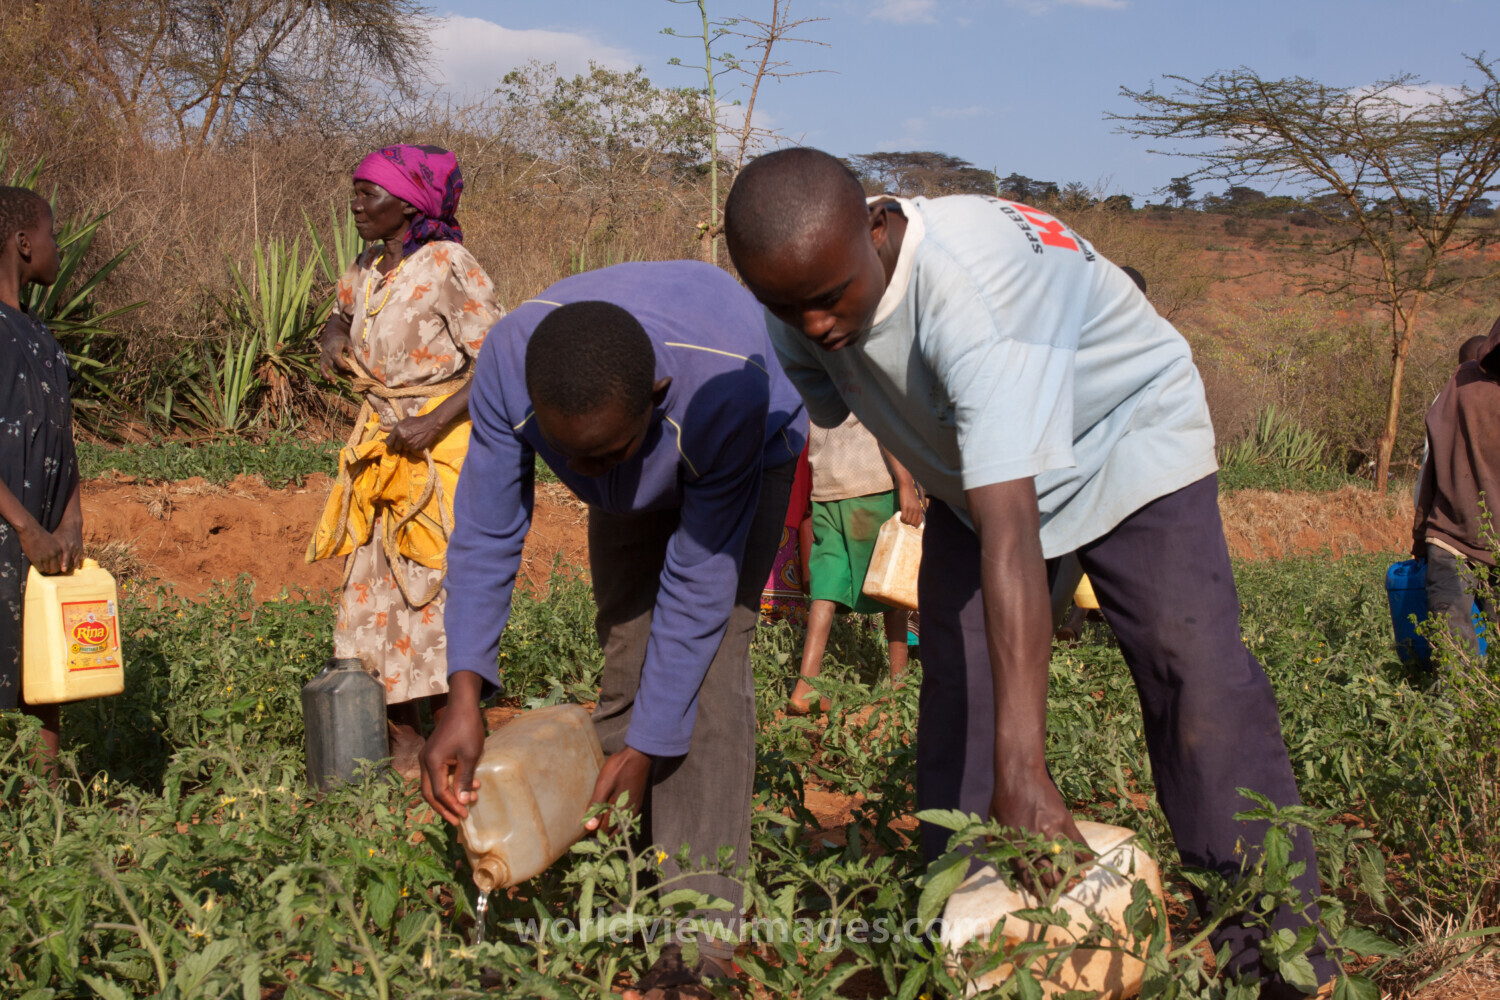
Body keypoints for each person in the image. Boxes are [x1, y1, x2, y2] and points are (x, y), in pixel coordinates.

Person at [723, 147, 1332, 995]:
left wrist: (1026, 770)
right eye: (788, 306)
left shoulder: (972, 290)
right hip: (982, 474)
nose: (816, 325)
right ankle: (968, 949)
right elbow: (882, 413)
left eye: (830, 299)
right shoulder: (795, 308)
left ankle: (1275, 954)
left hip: (1122, 438)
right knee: (962, 686)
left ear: (876, 225)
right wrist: (939, 479)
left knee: (1191, 673)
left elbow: (1015, 530)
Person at [419, 261, 807, 999]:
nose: (592, 477)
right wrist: (462, 694)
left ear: (652, 402)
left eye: (606, 455)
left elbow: (697, 588)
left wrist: (649, 744)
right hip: (631, 417)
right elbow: (486, 531)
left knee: (711, 668)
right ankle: (628, 875)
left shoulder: (726, 393)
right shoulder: (509, 365)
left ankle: (697, 939)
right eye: (573, 459)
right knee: (629, 645)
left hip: (746, 449)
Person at [307, 145, 501, 777]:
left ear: (410, 202)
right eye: (355, 191)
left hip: (438, 448)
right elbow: (335, 321)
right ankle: (398, 736)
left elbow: (498, 360)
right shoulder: (365, 267)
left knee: (432, 589)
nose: (355, 204)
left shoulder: (449, 265)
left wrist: (435, 419)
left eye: (369, 194)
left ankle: (454, 731)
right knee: (372, 591)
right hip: (378, 447)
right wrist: (335, 341)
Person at [0, 186, 79, 771]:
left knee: (44, 674)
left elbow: (62, 438)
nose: (59, 246)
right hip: (13, 532)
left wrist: (72, 518)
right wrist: (25, 526)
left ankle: (45, 813)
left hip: (44, 538)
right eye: (52, 234)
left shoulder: (42, 338)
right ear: (24, 244)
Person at [789, 412, 920, 715]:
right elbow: (882, 418)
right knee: (890, 581)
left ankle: (806, 685)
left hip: (826, 487)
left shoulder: (817, 364)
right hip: (869, 481)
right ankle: (898, 684)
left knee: (825, 586)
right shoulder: (861, 363)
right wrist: (905, 481)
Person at [1412, 322, 1500, 658]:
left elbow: (1429, 466)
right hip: (1459, 541)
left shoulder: (1459, 387)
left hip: (1448, 539)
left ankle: (1459, 709)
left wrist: (1420, 535)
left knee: (1453, 658)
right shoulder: (1463, 387)